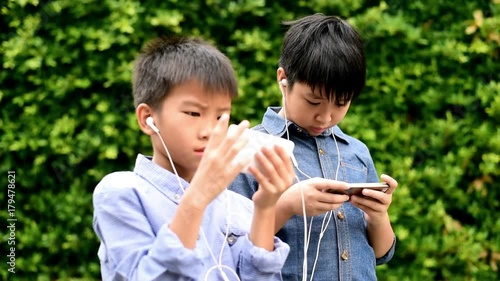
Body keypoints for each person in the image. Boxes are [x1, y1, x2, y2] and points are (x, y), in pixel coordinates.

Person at [92, 35, 296, 281]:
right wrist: (197, 197)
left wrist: (265, 206)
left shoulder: (239, 206)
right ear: (148, 118)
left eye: (221, 116)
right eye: (193, 113)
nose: (209, 130)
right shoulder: (121, 192)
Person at [228, 13, 398, 280]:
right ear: (283, 79)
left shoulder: (357, 153)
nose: (326, 117)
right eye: (313, 102)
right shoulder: (250, 150)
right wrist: (287, 206)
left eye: (341, 104)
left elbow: (381, 253)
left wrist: (378, 216)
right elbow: (231, 249)